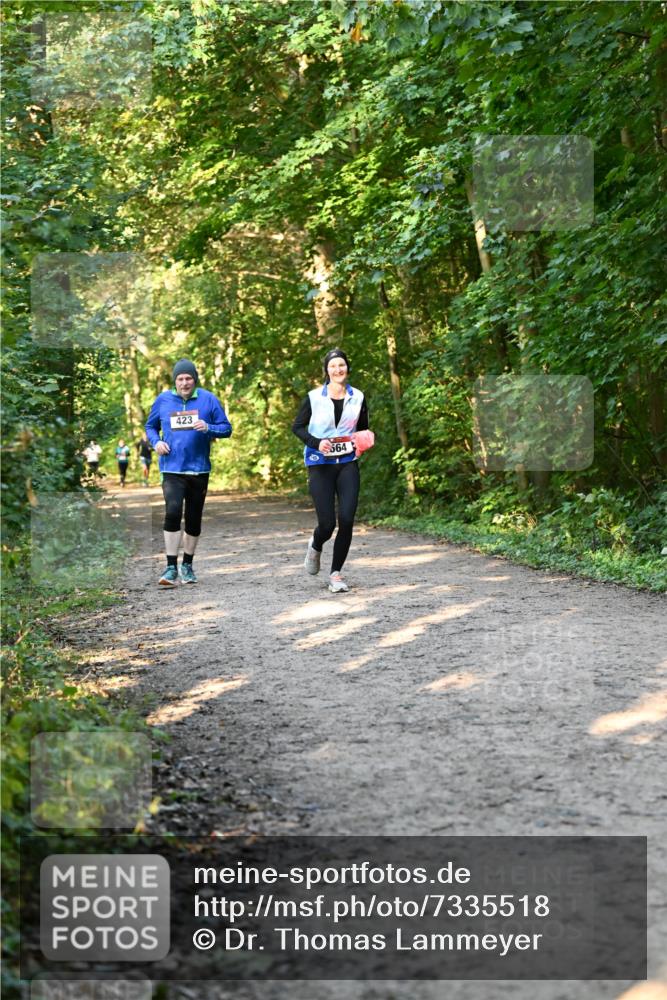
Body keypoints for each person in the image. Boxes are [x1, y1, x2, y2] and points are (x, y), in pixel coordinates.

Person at [292, 348, 375, 594]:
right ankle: (316, 544)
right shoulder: (314, 397)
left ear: (347, 367)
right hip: (320, 464)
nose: (338, 370)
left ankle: (336, 574)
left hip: (347, 462)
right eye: (333, 366)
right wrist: (316, 442)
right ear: (326, 371)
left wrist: (362, 442)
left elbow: (363, 428)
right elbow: (297, 427)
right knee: (327, 524)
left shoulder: (358, 397)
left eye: (341, 365)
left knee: (347, 519)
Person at [145, 359, 232, 587]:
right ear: (175, 381)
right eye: (180, 379)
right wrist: (156, 442)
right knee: (172, 512)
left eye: (188, 378)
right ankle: (170, 567)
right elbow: (150, 426)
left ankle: (187, 565)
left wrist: (209, 427)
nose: (184, 383)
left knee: (193, 517)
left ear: (195, 380)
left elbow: (227, 428)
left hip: (198, 469)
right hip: (171, 468)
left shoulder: (208, 399)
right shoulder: (164, 399)